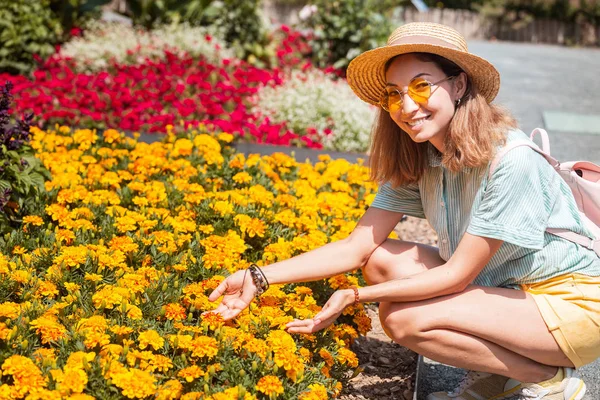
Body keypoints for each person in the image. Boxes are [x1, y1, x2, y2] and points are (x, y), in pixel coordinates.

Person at [209, 22, 600, 400]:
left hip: (572, 305)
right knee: (380, 260)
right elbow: (356, 248)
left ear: (459, 84)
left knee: (401, 319)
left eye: (421, 85)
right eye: (394, 94)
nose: (406, 106)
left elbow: (456, 275)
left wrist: (356, 295)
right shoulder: (423, 156)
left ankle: (548, 378)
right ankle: (501, 373)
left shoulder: (510, 160)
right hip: (511, 293)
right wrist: (258, 276)